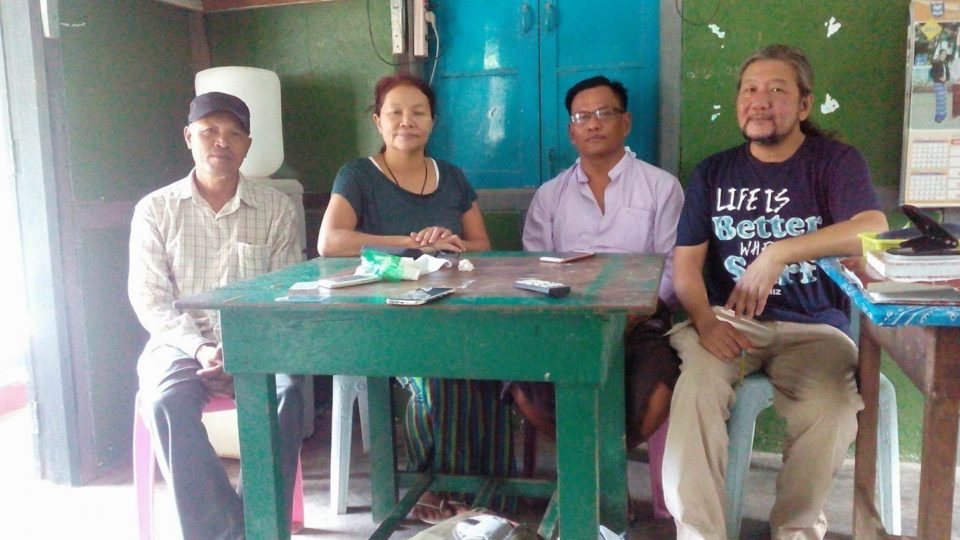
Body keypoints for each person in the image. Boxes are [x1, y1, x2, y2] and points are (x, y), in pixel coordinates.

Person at [661, 44, 888, 539]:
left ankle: (796, 530)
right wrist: (704, 320)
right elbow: (686, 268)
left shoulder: (834, 162)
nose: (759, 100)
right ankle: (700, 534)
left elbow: (871, 226)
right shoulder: (714, 172)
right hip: (730, 324)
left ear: (804, 105)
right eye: (750, 89)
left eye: (776, 90)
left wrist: (779, 252)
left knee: (830, 408)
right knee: (695, 390)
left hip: (814, 330)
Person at [317, 74, 510, 524]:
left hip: (457, 311)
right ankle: (435, 488)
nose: (407, 121)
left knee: (494, 370)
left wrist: (450, 240)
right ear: (377, 121)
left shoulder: (453, 177)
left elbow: (483, 245)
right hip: (386, 321)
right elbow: (331, 240)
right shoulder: (358, 174)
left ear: (433, 121)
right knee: (440, 377)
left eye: (418, 112)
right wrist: (413, 242)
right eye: (395, 112)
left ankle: (487, 493)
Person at [128, 91, 304, 540]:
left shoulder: (276, 210)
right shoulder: (155, 209)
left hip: (256, 341)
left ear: (247, 145)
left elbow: (283, 296)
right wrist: (202, 347)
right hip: (179, 342)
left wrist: (241, 351)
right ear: (189, 137)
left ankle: (260, 522)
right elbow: (151, 300)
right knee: (166, 398)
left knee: (289, 392)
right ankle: (231, 533)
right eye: (209, 131)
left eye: (233, 134)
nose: (220, 142)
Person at [508, 75, 684, 452]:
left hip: (642, 321)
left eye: (605, 113)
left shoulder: (661, 187)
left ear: (626, 122)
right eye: (581, 116)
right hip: (566, 322)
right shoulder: (550, 195)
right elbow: (536, 267)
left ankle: (607, 459)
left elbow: (673, 266)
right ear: (571, 132)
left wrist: (634, 312)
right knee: (523, 387)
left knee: (658, 389)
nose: (592, 123)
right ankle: (586, 462)